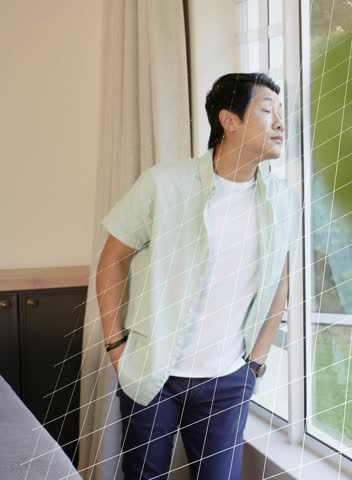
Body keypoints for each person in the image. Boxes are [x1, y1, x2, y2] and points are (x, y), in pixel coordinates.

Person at [95, 72, 297, 479]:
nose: (280, 122)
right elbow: (112, 260)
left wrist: (254, 363)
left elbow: (279, 282)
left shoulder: (281, 198)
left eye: (281, 112)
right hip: (153, 374)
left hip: (228, 381)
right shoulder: (164, 184)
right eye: (266, 110)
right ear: (229, 120)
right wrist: (117, 347)